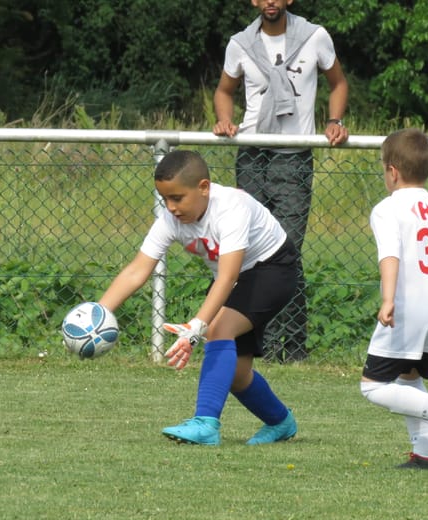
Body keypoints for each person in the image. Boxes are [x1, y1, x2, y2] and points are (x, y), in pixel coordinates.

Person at [99, 149, 298, 446]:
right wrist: (99, 311)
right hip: (233, 278)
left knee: (218, 329)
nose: (171, 207)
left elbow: (229, 276)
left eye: (177, 198)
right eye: (164, 199)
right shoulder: (170, 219)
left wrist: (197, 327)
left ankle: (206, 424)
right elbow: (137, 271)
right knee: (236, 374)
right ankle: (280, 421)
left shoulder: (232, 207)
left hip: (273, 269)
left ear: (204, 187)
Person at [213, 0, 349, 363]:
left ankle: (291, 349)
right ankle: (251, 344)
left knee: (286, 251)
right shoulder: (240, 43)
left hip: (293, 156)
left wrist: (334, 120)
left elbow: (338, 83)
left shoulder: (314, 37)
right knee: (246, 252)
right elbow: (224, 91)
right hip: (252, 154)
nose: (270, 1)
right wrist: (226, 120)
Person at [360, 129, 428, 471]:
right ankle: (426, 454)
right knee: (409, 377)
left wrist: (388, 299)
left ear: (392, 171)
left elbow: (389, 255)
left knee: (372, 387)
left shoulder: (387, 209)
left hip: (406, 310)